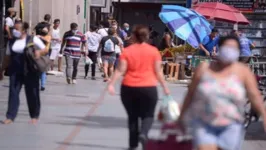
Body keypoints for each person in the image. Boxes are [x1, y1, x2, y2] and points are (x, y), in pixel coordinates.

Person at [178, 35, 266, 150]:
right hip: (204, 123)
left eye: (233, 48)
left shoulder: (243, 71)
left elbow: (254, 96)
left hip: (231, 125)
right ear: (219, 48)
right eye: (226, 47)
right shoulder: (204, 68)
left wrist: (264, 116)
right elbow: (190, 94)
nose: (229, 50)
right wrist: (181, 117)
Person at [107, 25, 170, 150]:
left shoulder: (128, 51)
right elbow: (158, 72)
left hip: (129, 87)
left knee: (133, 116)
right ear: (147, 37)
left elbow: (120, 70)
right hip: (149, 87)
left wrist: (111, 84)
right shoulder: (154, 51)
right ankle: (144, 134)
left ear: (134, 36)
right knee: (149, 115)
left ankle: (133, 145)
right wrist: (165, 87)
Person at [0, 22, 47, 124]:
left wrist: (39, 52)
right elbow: (7, 57)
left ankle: (34, 116)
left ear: (23, 30)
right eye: (13, 29)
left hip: (30, 70)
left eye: (16, 29)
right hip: (15, 70)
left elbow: (45, 49)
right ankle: (10, 116)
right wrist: (2, 69)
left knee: (32, 93)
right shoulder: (11, 42)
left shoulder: (32, 39)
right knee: (13, 93)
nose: (14, 31)